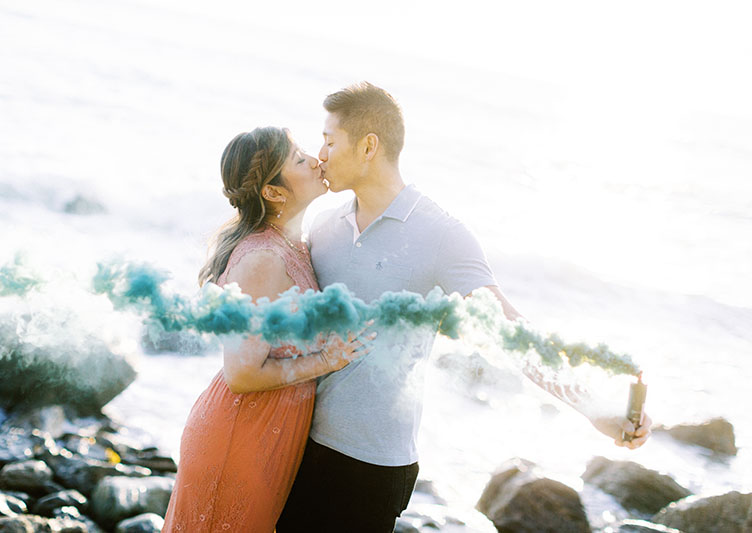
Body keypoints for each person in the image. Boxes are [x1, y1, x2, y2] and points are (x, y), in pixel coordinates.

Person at [276, 82, 652, 532]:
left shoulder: (441, 235)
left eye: (330, 141)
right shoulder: (324, 223)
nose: (320, 155)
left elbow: (511, 332)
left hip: (372, 465)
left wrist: (597, 410)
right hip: (299, 446)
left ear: (368, 146)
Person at [161, 127, 371, 533]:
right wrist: (325, 360)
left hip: (271, 432)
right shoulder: (262, 260)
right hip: (240, 436)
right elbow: (241, 374)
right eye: (297, 159)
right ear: (274, 193)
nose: (314, 159)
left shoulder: (295, 243)